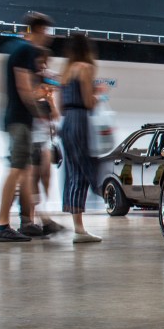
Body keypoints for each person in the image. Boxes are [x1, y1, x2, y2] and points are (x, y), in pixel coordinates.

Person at [0, 11, 54, 243]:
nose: (49, 37)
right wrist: (41, 111)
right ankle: (2, 225)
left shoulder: (15, 48)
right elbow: (25, 88)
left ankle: (27, 223)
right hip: (20, 120)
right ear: (39, 30)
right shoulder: (26, 50)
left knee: (25, 172)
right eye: (47, 32)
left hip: (17, 119)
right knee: (17, 170)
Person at [58, 34, 103, 243]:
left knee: (73, 171)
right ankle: (80, 229)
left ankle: (79, 227)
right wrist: (99, 95)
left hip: (66, 121)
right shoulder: (85, 68)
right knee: (85, 170)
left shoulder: (65, 71)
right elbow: (88, 101)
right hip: (80, 121)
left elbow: (59, 107)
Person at [26, 50, 65, 235]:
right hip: (32, 139)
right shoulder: (30, 83)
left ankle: (43, 214)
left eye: (45, 64)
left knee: (46, 177)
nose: (43, 67)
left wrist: (50, 98)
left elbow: (56, 117)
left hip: (45, 140)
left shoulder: (47, 88)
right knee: (32, 179)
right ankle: (34, 218)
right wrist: (38, 94)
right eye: (40, 63)